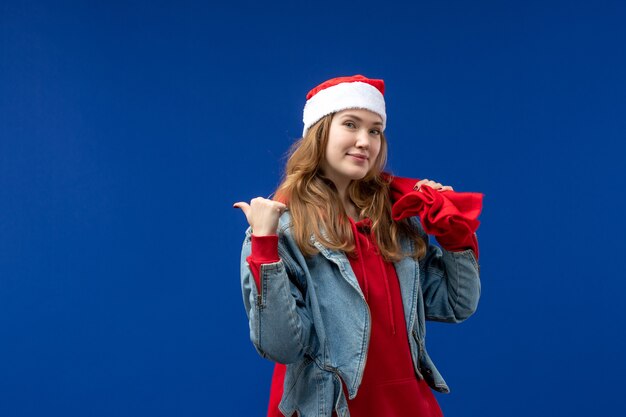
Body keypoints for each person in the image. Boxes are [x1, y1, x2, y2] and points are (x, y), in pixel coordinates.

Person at [234, 75, 483, 417]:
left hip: (408, 406)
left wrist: (452, 230)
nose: (364, 141)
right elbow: (282, 346)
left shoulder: (396, 216)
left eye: (375, 130)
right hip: (330, 408)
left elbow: (456, 305)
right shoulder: (283, 229)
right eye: (350, 124)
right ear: (320, 131)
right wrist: (264, 249)